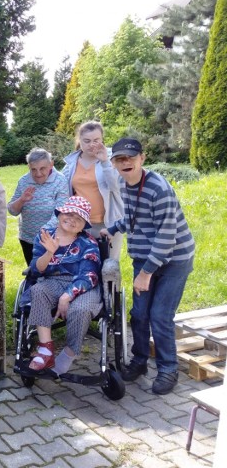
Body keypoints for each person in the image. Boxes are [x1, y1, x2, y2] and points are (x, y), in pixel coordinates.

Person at [101, 138, 195, 395]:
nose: (126, 162)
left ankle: (168, 369)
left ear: (142, 157)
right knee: (139, 314)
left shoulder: (159, 189)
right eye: (120, 159)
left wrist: (145, 274)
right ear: (114, 164)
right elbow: (133, 216)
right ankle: (139, 361)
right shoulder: (124, 182)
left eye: (131, 157)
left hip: (175, 259)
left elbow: (167, 236)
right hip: (146, 257)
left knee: (160, 316)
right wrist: (113, 228)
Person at [26, 196, 102, 375]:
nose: (72, 219)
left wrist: (66, 296)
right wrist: (49, 253)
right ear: (60, 214)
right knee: (38, 290)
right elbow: (36, 271)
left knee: (80, 309)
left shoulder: (88, 242)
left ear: (84, 225)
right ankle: (46, 351)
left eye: (79, 218)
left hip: (83, 286)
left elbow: (89, 276)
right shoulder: (44, 236)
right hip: (53, 281)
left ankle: (69, 353)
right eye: (69, 213)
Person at [62, 121, 124, 259]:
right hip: (81, 224)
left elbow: (117, 187)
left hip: (108, 223)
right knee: (86, 266)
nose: (92, 144)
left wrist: (105, 162)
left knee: (109, 268)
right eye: (87, 141)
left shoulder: (112, 158)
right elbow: (64, 192)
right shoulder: (71, 163)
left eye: (96, 140)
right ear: (80, 141)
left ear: (102, 140)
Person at [8, 148, 69, 265]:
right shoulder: (24, 181)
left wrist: (42, 233)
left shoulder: (60, 181)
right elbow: (12, 211)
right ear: (28, 167)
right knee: (33, 273)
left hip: (52, 239)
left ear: (51, 164)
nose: (38, 174)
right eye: (33, 169)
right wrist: (21, 200)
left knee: (51, 274)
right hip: (27, 238)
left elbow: (60, 212)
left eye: (42, 168)